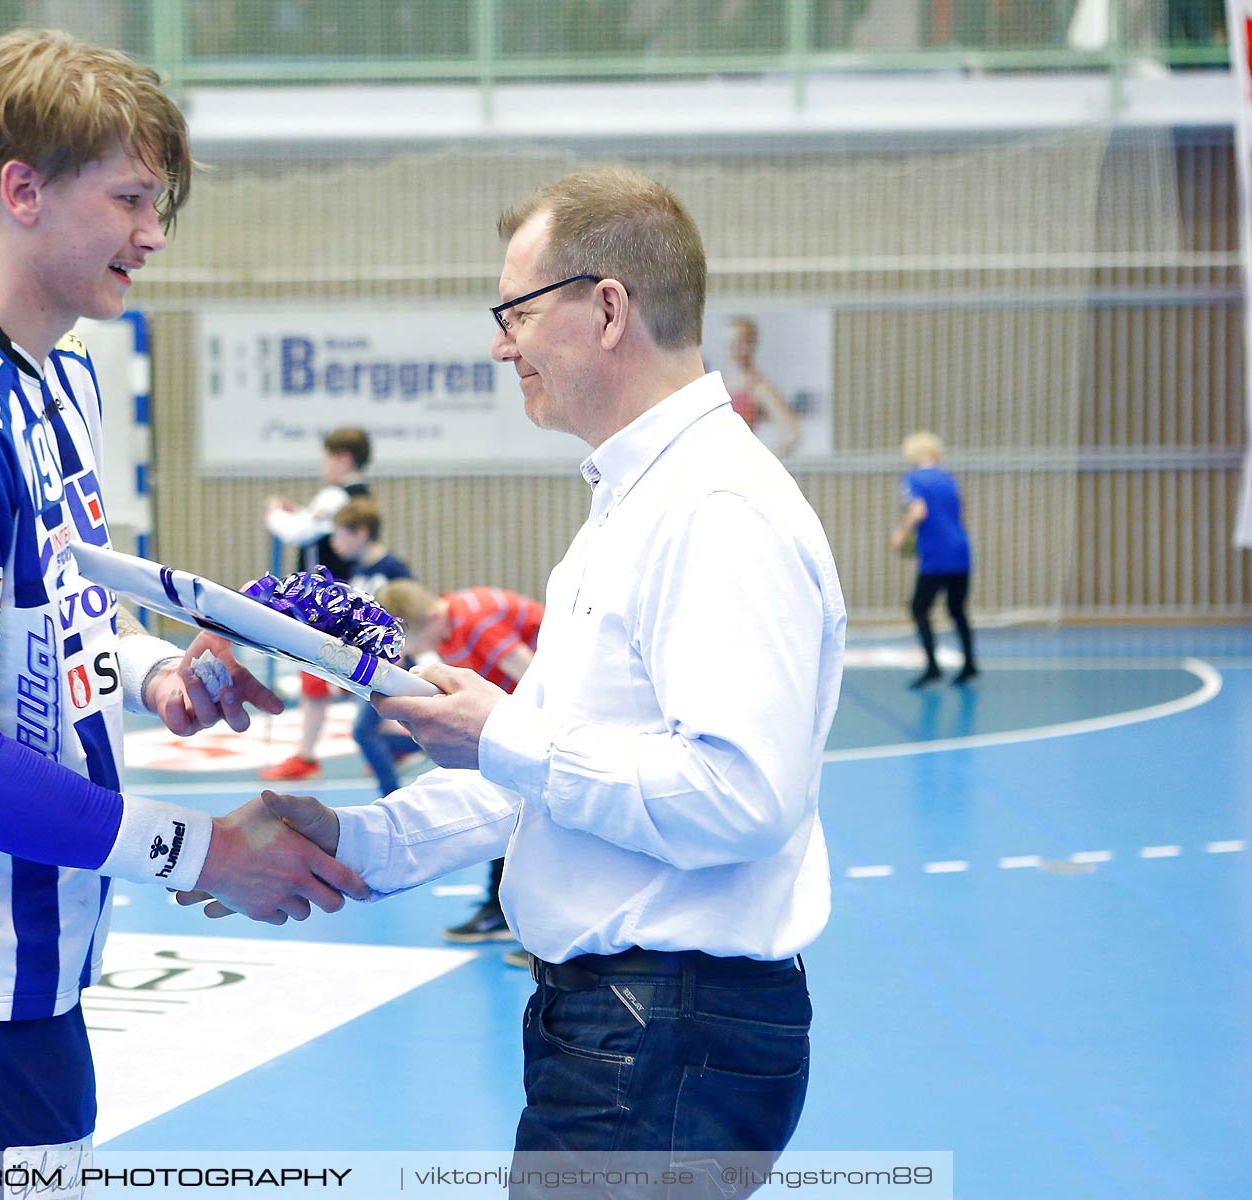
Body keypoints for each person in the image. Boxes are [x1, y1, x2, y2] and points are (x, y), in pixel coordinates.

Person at [0, 29, 366, 1177]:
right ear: (23, 190)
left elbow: (55, 613)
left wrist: (162, 674)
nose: (155, 234)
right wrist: (202, 853)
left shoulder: (63, 374)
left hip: (31, 958)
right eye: (134, 198)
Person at [185, 167, 845, 1187]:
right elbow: (531, 785)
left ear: (608, 309)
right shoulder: (635, 508)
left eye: (518, 312)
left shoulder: (717, 512)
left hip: (664, 1035)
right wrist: (356, 842)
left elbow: (743, 797)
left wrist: (502, 734)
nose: (501, 344)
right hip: (626, 1028)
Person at [376, 579, 543, 946]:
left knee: (522, 802)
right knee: (508, 799)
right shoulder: (450, 626)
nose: (422, 651)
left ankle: (527, 919)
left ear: (433, 616)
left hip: (550, 709)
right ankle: (503, 911)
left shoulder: (474, 621)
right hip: (525, 708)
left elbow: (536, 678)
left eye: (418, 641)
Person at [259, 426, 372, 782]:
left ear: (343, 458)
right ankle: (375, 743)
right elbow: (313, 525)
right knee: (337, 676)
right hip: (343, 597)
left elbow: (299, 532)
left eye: (327, 458)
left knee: (319, 675)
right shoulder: (354, 495)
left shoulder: (336, 496)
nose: (324, 465)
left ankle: (307, 755)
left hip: (325, 602)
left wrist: (274, 513)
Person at [326, 499, 422, 796]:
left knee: (364, 731)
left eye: (341, 533)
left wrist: (402, 652)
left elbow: (412, 608)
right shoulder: (356, 572)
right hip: (368, 664)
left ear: (362, 532)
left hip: (394, 662)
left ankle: (392, 796)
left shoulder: (393, 568)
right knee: (371, 732)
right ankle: (426, 746)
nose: (334, 542)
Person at [891, 430, 978, 687]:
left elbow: (919, 510)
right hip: (960, 549)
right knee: (957, 609)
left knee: (919, 608)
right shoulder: (949, 479)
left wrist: (901, 533)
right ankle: (970, 663)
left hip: (936, 554)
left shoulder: (913, 479)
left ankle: (932, 667)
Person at [723, 315, 802, 459]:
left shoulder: (759, 387)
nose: (733, 349)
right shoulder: (718, 382)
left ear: (752, 344)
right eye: (729, 343)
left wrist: (760, 460)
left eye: (739, 343)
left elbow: (792, 433)